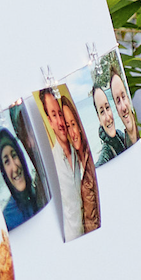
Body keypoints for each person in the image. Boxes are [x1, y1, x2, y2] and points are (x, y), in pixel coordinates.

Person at [36, 86, 100, 237]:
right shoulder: (51, 165)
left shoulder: (79, 153)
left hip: (93, 233)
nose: (60, 121)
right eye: (54, 115)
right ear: (49, 122)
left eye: (60, 114)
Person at [0, 125, 46, 222]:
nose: (14, 167)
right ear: (3, 170)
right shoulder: (7, 220)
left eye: (14, 155)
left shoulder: (41, 194)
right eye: (6, 161)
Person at [88, 85, 128, 165]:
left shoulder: (119, 134)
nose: (107, 117)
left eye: (107, 108)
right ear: (99, 118)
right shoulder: (106, 153)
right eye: (102, 112)